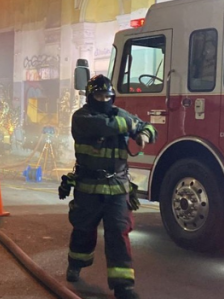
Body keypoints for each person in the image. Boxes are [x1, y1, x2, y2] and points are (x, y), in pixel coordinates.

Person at [64, 75, 156, 299]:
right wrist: (132, 124)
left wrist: (143, 133)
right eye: (99, 95)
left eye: (108, 96)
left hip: (117, 189)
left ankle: (123, 286)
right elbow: (104, 126)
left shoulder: (120, 115)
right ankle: (77, 262)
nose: (104, 99)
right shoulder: (82, 117)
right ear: (90, 97)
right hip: (89, 188)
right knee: (83, 231)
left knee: (118, 234)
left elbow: (150, 128)